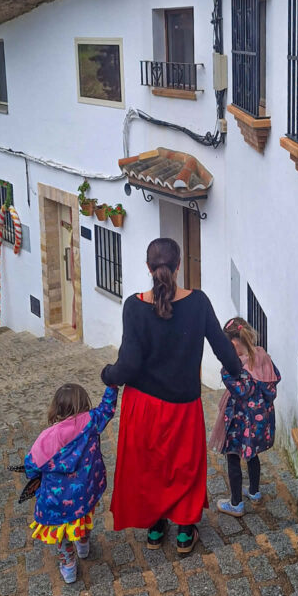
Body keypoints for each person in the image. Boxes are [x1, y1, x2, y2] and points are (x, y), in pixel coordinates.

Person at [101, 237, 242, 555]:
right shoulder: (199, 302)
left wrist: (107, 375)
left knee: (150, 466)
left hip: (144, 405)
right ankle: (184, 529)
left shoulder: (134, 307)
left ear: (148, 268)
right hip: (183, 404)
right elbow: (225, 352)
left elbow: (128, 364)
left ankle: (155, 526)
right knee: (183, 465)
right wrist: (241, 376)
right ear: (178, 267)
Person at [24, 382, 118, 583]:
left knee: (62, 533)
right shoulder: (91, 422)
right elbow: (107, 408)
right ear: (84, 404)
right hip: (85, 492)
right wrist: (112, 384)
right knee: (83, 517)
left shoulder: (47, 437)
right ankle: (83, 544)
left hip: (57, 501)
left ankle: (68, 566)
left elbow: (31, 465)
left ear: (56, 408)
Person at [209, 317, 280, 517]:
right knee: (252, 454)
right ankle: (255, 492)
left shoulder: (234, 369)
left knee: (233, 457)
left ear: (232, 343)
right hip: (258, 424)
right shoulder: (263, 356)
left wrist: (226, 370)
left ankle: (236, 504)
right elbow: (276, 378)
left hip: (239, 422)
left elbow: (241, 391)